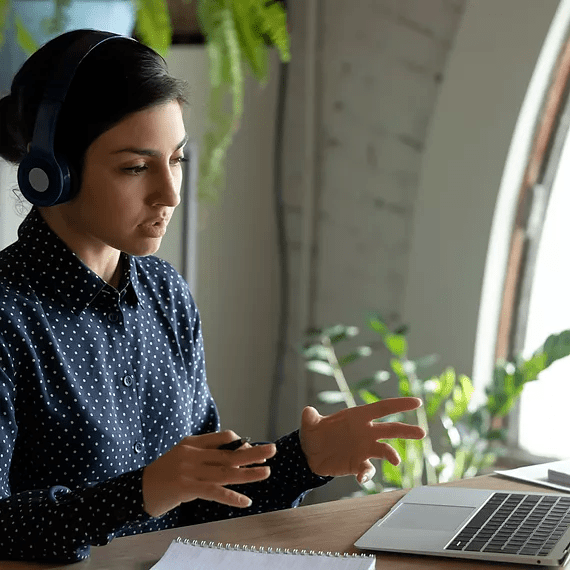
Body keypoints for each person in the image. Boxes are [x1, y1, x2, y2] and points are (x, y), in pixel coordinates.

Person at [0, 29, 426, 563]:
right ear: (51, 174)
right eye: (136, 167)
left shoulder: (165, 294)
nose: (171, 193)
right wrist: (142, 492)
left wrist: (304, 459)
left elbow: (205, 499)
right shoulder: (8, 316)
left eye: (176, 159)